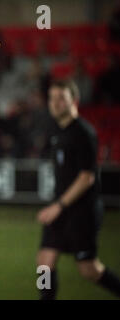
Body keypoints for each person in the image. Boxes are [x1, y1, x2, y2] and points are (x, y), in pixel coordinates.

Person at [36, 80, 120, 299]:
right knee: (44, 262)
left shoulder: (83, 132)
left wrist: (58, 206)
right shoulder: (55, 131)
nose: (55, 103)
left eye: (61, 98)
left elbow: (87, 177)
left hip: (82, 211)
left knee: (89, 269)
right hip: (61, 209)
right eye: (52, 98)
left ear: (74, 101)